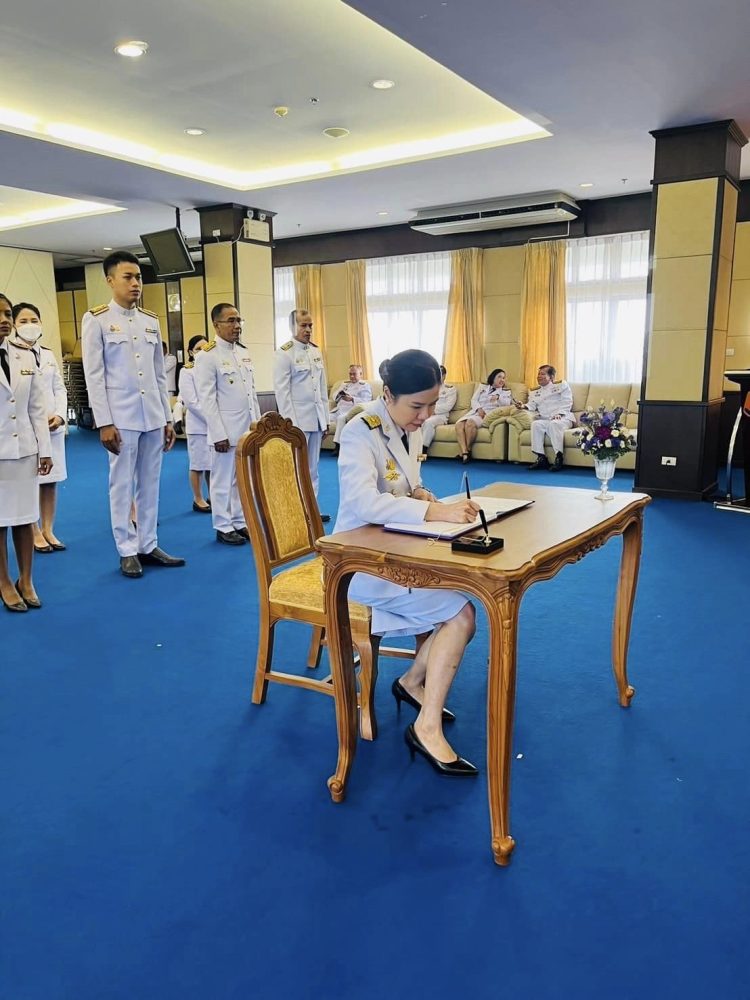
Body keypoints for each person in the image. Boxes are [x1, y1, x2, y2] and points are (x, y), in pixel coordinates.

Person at [335, 349, 481, 777]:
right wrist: (434, 512)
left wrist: (422, 495)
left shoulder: (408, 425)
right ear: (388, 394)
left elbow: (405, 483)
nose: (426, 416)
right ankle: (426, 727)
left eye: (431, 404)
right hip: (361, 560)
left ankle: (411, 682)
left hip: (397, 548)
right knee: (461, 614)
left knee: (462, 593)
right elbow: (363, 502)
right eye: (418, 406)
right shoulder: (360, 430)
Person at [81, 250, 185, 578]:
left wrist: (167, 418)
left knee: (150, 483)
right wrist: (104, 422)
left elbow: (158, 375)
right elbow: (94, 375)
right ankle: (126, 549)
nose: (135, 283)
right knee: (122, 484)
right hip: (121, 417)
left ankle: (148, 543)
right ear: (110, 280)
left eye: (138, 277)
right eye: (127, 277)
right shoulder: (96, 319)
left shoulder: (150, 321)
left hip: (152, 415)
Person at [0, 292, 52, 612]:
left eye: (7, 314)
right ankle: (4, 581)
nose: (4, 320)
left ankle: (27, 579)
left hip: (24, 451)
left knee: (24, 517)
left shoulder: (25, 355)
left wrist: (45, 450)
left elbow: (36, 408)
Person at [194, 303, 260, 545]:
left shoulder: (243, 352)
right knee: (222, 481)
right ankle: (223, 525)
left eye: (239, 320)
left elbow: (251, 395)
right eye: (231, 321)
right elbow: (207, 399)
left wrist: (257, 427)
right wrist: (217, 433)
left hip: (246, 429)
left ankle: (239, 521)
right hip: (225, 431)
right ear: (216, 325)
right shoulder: (207, 356)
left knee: (241, 480)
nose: (237, 325)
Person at [11, 302, 68, 552]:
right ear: (14, 325)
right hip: (26, 430)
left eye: (34, 320)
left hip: (52, 427)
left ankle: (48, 529)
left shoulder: (47, 354)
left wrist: (60, 416)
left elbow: (59, 388)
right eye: (23, 321)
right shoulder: (10, 355)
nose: (30, 325)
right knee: (30, 482)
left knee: (50, 481)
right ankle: (33, 531)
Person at [273, 309, 330, 521]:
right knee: (296, 468)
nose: (307, 329)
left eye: (310, 325)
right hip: (298, 422)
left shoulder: (315, 351)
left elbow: (321, 390)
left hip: (315, 419)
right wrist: (291, 426)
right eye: (303, 325)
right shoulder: (284, 353)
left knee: (313, 468)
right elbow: (282, 392)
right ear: (292, 327)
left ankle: (311, 509)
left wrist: (325, 419)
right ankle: (295, 510)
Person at [517, 364, 574, 471]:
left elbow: (567, 401)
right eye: (538, 374)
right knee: (536, 424)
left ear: (551, 377)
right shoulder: (534, 391)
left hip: (563, 418)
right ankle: (541, 458)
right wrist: (523, 406)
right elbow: (532, 405)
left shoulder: (561, 385)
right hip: (546, 420)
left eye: (543, 374)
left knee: (554, 424)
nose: (539, 376)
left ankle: (559, 457)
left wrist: (560, 414)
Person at [176, 335, 211, 513]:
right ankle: (198, 499)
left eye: (206, 348)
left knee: (212, 465)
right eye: (198, 349)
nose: (202, 352)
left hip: (214, 426)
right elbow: (191, 402)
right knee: (198, 465)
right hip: (198, 425)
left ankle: (214, 496)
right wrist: (213, 418)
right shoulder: (187, 371)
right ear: (191, 352)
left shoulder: (212, 368)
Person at [454, 368, 512, 463]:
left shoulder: (505, 392)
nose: (502, 380)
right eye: (499, 377)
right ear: (493, 378)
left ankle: (467, 450)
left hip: (486, 415)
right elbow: (474, 400)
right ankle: (464, 452)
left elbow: (507, 403)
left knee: (470, 423)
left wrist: (498, 397)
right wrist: (478, 408)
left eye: (504, 378)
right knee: (459, 424)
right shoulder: (482, 387)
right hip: (475, 412)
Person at [330, 363, 372, 451]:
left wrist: (352, 399)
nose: (352, 376)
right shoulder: (344, 384)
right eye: (350, 374)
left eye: (354, 374)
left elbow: (366, 401)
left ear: (360, 374)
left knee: (341, 418)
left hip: (350, 411)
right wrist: (339, 395)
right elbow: (333, 397)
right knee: (323, 418)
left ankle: (338, 446)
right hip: (338, 409)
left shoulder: (364, 386)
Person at [420, 364, 457, 455]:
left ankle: (423, 450)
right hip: (427, 414)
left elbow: (448, 406)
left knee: (428, 422)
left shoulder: (450, 389)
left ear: (444, 376)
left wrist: (432, 410)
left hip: (441, 416)